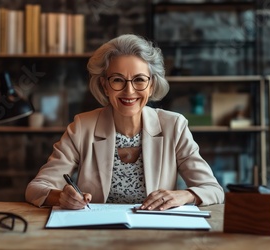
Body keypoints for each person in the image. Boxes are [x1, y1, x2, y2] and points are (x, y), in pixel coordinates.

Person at [26, 34, 224, 210]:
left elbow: (213, 190)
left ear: (151, 84)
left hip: (156, 234)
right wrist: (61, 197)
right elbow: (36, 188)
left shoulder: (174, 126)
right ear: (105, 85)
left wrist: (185, 195)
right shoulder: (81, 127)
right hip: (95, 232)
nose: (129, 91)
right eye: (118, 80)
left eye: (139, 80)